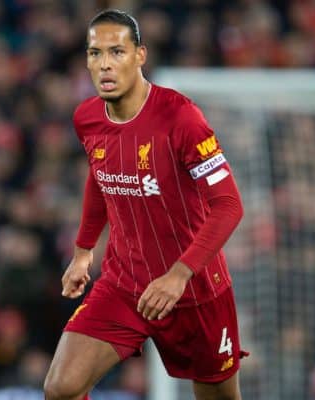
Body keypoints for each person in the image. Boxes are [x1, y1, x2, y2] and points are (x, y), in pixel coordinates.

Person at [44, 9, 246, 400]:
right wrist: (84, 252)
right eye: (94, 53)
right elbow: (101, 177)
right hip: (124, 284)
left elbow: (229, 206)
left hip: (196, 292)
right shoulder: (87, 118)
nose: (104, 63)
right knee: (61, 388)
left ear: (140, 56)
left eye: (117, 52)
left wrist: (178, 275)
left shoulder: (182, 118)